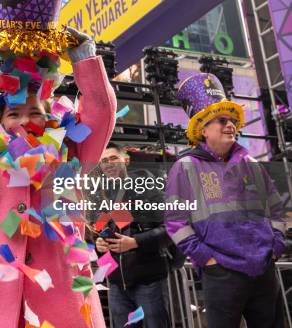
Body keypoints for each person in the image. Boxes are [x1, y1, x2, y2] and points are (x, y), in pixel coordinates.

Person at [0, 24, 116, 327]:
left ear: (51, 117)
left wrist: (85, 58)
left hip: (60, 299)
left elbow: (100, 115)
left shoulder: (69, 153)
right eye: (13, 114)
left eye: (35, 113)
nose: (23, 121)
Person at [165, 73, 286, 328]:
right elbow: (175, 222)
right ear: (203, 130)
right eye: (221, 120)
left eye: (232, 120)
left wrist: (274, 248)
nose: (230, 124)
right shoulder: (184, 167)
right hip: (221, 273)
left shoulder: (252, 164)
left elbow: (277, 208)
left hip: (263, 269)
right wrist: (207, 258)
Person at [94, 142, 171, 328]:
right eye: (104, 161)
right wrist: (98, 244)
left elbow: (171, 229)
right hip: (116, 286)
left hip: (148, 282)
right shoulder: (103, 197)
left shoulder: (147, 188)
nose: (109, 164)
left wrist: (135, 242)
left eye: (114, 158)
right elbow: (100, 233)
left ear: (126, 160)